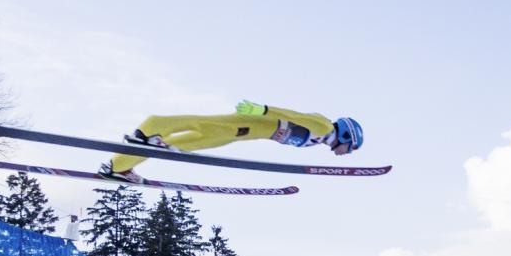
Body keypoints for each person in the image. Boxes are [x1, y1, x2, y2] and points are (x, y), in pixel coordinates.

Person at [104, 102, 362, 177]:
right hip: (252, 123)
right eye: (350, 148)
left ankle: (119, 166)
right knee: (207, 126)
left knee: (198, 141)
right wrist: (262, 110)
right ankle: (154, 126)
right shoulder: (323, 126)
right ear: (347, 136)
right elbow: (291, 114)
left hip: (252, 132)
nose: (346, 153)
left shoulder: (320, 137)